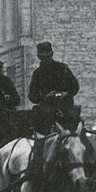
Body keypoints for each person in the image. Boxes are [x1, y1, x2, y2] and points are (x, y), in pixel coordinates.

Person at [27, 42, 80, 184]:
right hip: (46, 115)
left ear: (51, 54)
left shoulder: (63, 69)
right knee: (41, 142)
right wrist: (46, 97)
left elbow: (75, 87)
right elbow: (32, 96)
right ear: (39, 57)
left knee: (78, 138)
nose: (45, 59)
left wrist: (64, 93)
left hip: (65, 113)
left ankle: (86, 167)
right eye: (43, 57)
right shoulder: (37, 74)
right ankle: (37, 170)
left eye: (47, 56)